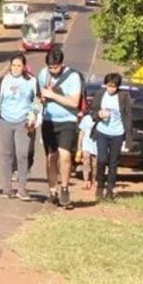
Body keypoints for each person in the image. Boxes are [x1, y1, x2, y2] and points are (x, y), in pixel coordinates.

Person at [0, 53, 39, 200]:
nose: (16, 68)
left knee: (22, 154)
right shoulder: (3, 81)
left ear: (24, 67)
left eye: (19, 65)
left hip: (23, 121)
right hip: (5, 120)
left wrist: (33, 115)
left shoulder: (31, 81)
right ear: (10, 66)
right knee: (7, 155)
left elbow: (38, 100)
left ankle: (22, 188)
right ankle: (7, 188)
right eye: (13, 65)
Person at [37, 49, 82, 208]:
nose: (52, 70)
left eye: (55, 67)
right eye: (50, 67)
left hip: (67, 120)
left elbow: (74, 102)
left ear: (62, 64)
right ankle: (52, 191)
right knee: (51, 157)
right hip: (49, 120)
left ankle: (64, 188)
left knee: (65, 155)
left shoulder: (73, 77)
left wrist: (52, 95)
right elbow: (39, 95)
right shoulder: (43, 74)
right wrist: (41, 99)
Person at [89, 72, 133, 202]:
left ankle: (110, 189)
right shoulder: (100, 94)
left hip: (117, 133)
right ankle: (100, 186)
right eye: (109, 86)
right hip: (102, 131)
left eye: (114, 87)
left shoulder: (124, 96)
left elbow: (128, 117)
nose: (111, 89)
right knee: (101, 159)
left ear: (118, 86)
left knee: (113, 163)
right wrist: (98, 114)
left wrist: (129, 138)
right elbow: (91, 111)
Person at [77, 112, 98, 190]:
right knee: (86, 162)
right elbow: (81, 132)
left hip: (96, 144)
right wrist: (79, 146)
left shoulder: (100, 119)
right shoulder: (86, 118)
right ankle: (86, 181)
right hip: (86, 143)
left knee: (95, 164)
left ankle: (94, 181)